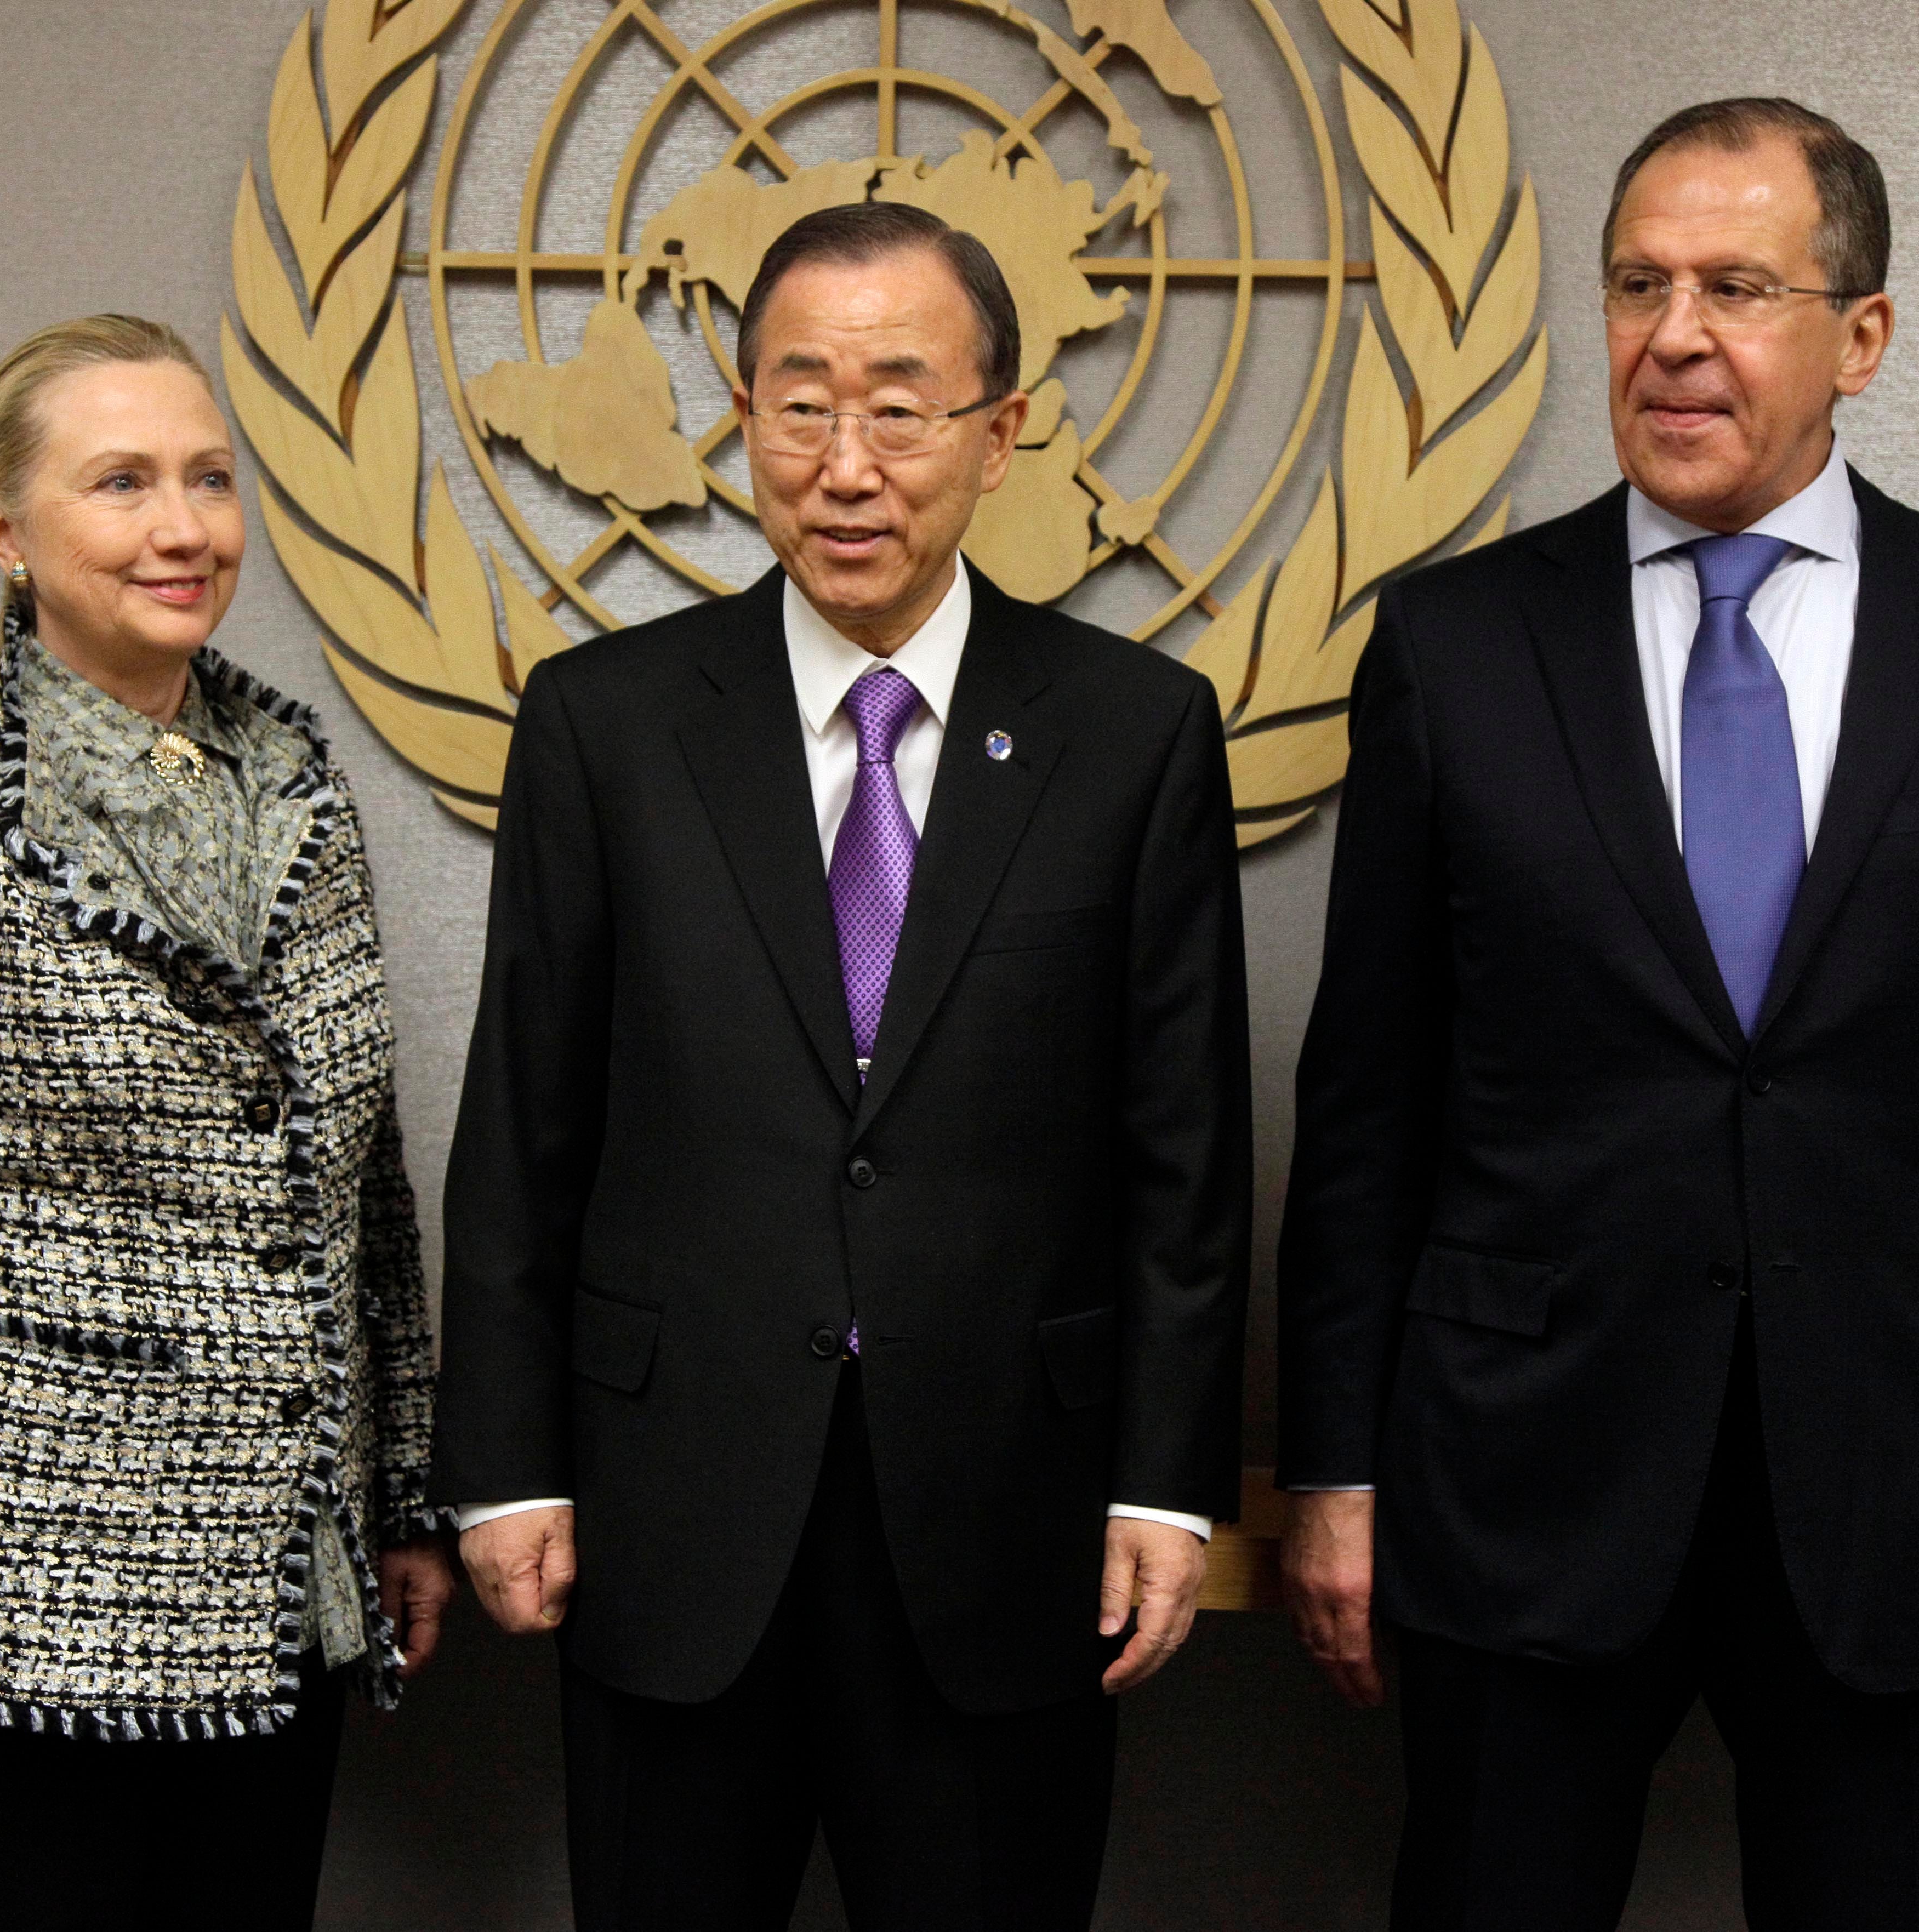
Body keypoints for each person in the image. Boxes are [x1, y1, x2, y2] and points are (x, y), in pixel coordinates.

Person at [1277, 99, 1919, 1931]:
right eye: (1637, 284)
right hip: (1518, 1483)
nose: (1673, 334)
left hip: (1897, 1490)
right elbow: (1367, 1105)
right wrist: (1332, 1464)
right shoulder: (1453, 646)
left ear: (1859, 337)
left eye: (1734, 286)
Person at [432, 202, 1251, 1930]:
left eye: (901, 404)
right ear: (740, 417)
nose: (846, 462)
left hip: (1006, 1528)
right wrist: (505, 1460)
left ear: (1000, 431)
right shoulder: (605, 721)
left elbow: (1181, 1158)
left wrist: (1166, 1480)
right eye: (799, 403)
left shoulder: (1134, 731)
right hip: (670, 1522)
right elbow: (524, 1126)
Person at [0, 314, 456, 1931]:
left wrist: (403, 1489)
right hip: (2, 1633)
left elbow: (367, 1197)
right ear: (5, 531)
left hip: (278, 1603)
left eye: (209, 479)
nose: (182, 526)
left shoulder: (301, 794)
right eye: (122, 481)